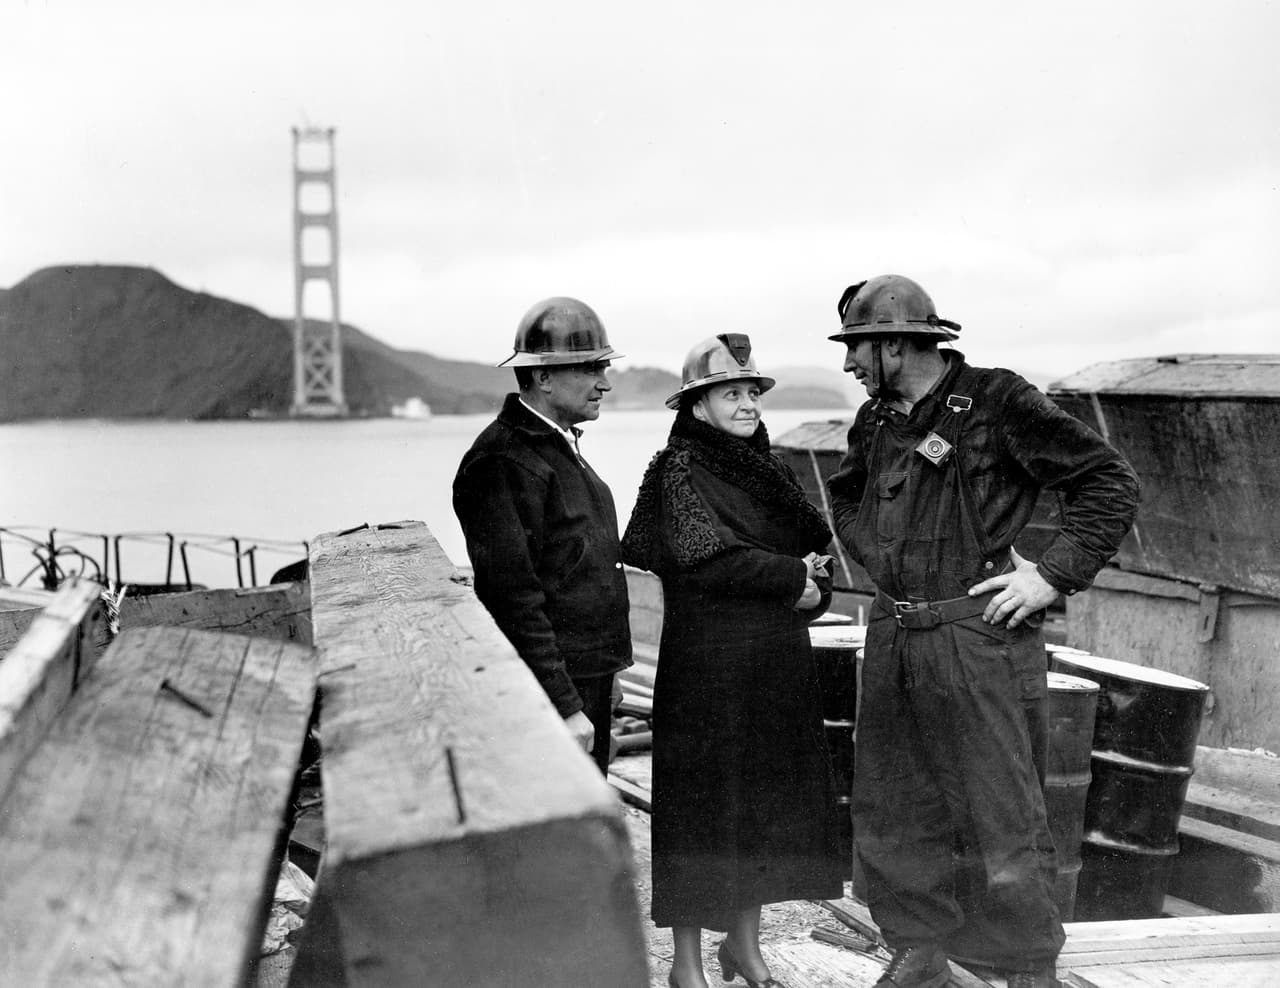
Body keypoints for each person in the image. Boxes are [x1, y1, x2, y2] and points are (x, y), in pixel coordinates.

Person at [825, 275, 1140, 988]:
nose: (848, 365)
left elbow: (1108, 481)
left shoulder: (998, 401)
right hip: (896, 634)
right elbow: (845, 495)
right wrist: (879, 556)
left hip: (979, 637)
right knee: (895, 805)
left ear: (896, 345)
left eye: (857, 349)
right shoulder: (874, 421)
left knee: (1003, 810)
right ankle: (919, 947)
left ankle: (1025, 963)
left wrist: (1050, 575)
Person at [622, 333, 844, 988]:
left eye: (752, 392)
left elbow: (816, 553)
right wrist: (792, 578)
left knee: (761, 810)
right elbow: (708, 559)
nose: (748, 404)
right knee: (700, 816)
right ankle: (686, 965)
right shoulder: (679, 471)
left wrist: (815, 588)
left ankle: (745, 949)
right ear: (697, 404)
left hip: (775, 663)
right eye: (731, 394)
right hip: (707, 668)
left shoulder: (770, 471)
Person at [452, 296, 632, 773]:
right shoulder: (501, 461)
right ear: (543, 377)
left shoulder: (555, 447)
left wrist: (607, 669)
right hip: (551, 690)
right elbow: (512, 598)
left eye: (603, 367)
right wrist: (564, 703)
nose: (604, 382)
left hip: (585, 676)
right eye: (590, 369)